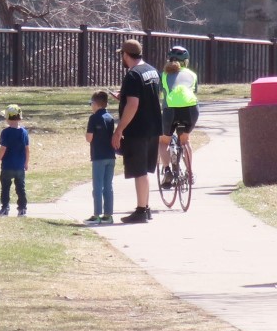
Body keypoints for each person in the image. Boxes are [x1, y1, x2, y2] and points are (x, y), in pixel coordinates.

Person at [110, 39, 162, 224]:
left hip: (138, 130)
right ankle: (145, 208)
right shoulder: (151, 71)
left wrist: (119, 130)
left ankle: (141, 210)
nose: (121, 59)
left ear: (125, 54)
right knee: (144, 171)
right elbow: (145, 97)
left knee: (139, 171)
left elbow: (133, 104)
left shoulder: (132, 75)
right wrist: (122, 97)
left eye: (121, 55)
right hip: (154, 127)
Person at [158, 45, 200, 185]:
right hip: (190, 110)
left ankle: (167, 170)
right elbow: (195, 91)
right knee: (185, 140)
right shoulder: (192, 75)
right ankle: (190, 173)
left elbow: (162, 93)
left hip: (171, 111)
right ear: (185, 61)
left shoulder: (164, 75)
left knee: (164, 141)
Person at [84, 90, 116, 224]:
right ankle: (108, 215)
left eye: (91, 103)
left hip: (98, 156)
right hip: (110, 155)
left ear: (96, 104)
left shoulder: (94, 117)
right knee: (108, 186)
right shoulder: (110, 117)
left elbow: (89, 138)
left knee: (97, 186)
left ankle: (96, 214)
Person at [0, 105, 30, 217]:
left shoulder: (6, 132)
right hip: (19, 166)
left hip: (7, 166)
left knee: (5, 188)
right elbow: (27, 149)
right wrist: (26, 162)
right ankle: (22, 208)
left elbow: (3, 148)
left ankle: (5, 208)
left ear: (8, 118)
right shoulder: (24, 132)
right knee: (21, 188)